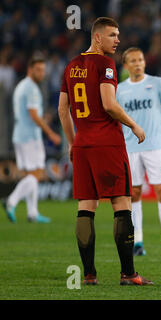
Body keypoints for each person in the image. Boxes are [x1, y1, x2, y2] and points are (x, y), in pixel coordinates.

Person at [57, 17, 152, 285]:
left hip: (83, 144)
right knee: (122, 203)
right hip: (107, 143)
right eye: (112, 35)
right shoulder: (106, 64)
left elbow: (63, 110)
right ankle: (129, 274)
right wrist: (134, 124)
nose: (117, 40)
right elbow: (109, 105)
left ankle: (88, 275)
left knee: (86, 207)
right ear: (97, 37)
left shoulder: (71, 65)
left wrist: (72, 141)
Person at [116, 47, 161, 257]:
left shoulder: (158, 84)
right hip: (130, 147)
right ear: (126, 66)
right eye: (133, 61)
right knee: (134, 193)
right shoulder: (119, 90)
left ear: (145, 62)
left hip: (155, 146)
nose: (138, 63)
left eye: (141, 60)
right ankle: (138, 243)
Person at [1, 56, 61, 223]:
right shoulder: (31, 88)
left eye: (43, 70)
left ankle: (32, 213)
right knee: (37, 174)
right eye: (38, 70)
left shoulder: (21, 86)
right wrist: (50, 133)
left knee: (29, 175)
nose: (42, 73)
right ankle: (11, 201)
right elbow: (34, 115)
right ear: (30, 70)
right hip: (30, 138)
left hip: (19, 136)